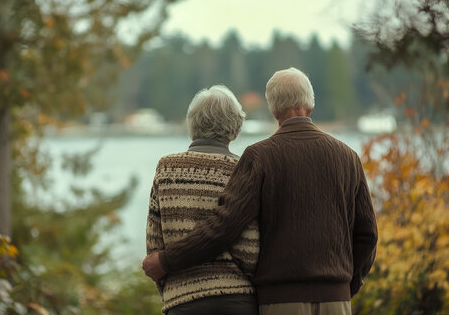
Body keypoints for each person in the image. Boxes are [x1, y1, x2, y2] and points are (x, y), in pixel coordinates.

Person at [143, 68, 378, 315]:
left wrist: (166, 261)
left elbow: (226, 226)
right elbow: (368, 234)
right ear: (311, 104)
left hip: (280, 300)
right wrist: (346, 286)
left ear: (273, 109)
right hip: (336, 298)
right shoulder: (348, 157)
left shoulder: (260, 157)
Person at [146, 85, 260, 315]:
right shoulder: (241, 170)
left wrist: (172, 288)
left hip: (182, 301)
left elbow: (154, 243)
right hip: (236, 300)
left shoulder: (166, 168)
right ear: (236, 128)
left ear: (192, 124)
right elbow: (249, 249)